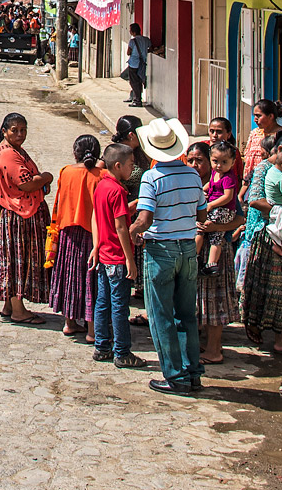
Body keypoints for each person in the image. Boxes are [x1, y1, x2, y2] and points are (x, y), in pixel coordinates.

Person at [131, 118, 204, 396]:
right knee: (186, 313)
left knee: (160, 314)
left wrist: (131, 232)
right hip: (188, 248)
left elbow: (146, 218)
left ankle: (175, 376)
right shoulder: (193, 175)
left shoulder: (152, 178)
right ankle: (192, 371)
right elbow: (201, 214)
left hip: (161, 250)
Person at [240, 134, 282, 355]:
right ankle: (259, 327)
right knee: (271, 287)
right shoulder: (263, 170)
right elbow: (254, 200)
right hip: (267, 234)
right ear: (279, 151)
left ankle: (281, 336)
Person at [0, 112, 52, 324]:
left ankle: (9, 304)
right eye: (15, 130)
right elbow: (26, 184)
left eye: (23, 130)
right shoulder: (8, 154)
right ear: (4, 131)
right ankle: (18, 310)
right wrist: (47, 177)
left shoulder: (12, 149)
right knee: (16, 260)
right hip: (17, 215)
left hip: (15, 214)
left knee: (12, 258)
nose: (20, 134)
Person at [46, 135, 104, 339]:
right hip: (93, 234)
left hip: (68, 233)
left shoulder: (66, 172)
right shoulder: (102, 175)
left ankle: (69, 322)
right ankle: (92, 330)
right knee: (91, 281)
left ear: (75, 153)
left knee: (70, 278)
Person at [90, 145, 144, 368]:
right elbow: (121, 227)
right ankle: (122, 352)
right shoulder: (118, 191)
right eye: (131, 165)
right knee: (120, 306)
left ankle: (102, 346)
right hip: (117, 258)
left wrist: (96, 246)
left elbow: (99, 216)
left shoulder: (102, 186)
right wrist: (130, 259)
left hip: (104, 254)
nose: (133, 169)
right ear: (118, 165)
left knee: (103, 302)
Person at [197, 140, 243, 366]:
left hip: (217, 250)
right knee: (204, 300)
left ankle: (215, 349)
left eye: (200, 161)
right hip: (202, 249)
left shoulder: (228, 183)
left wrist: (215, 226)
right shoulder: (204, 186)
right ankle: (209, 345)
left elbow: (239, 218)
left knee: (214, 300)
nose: (197, 165)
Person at [122, 23, 149, 107]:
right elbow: (150, 48)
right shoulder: (146, 40)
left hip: (134, 64)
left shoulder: (132, 41)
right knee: (138, 81)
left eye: (130, 30)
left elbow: (128, 52)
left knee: (134, 82)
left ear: (133, 32)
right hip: (142, 64)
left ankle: (137, 100)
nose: (129, 32)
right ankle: (134, 96)